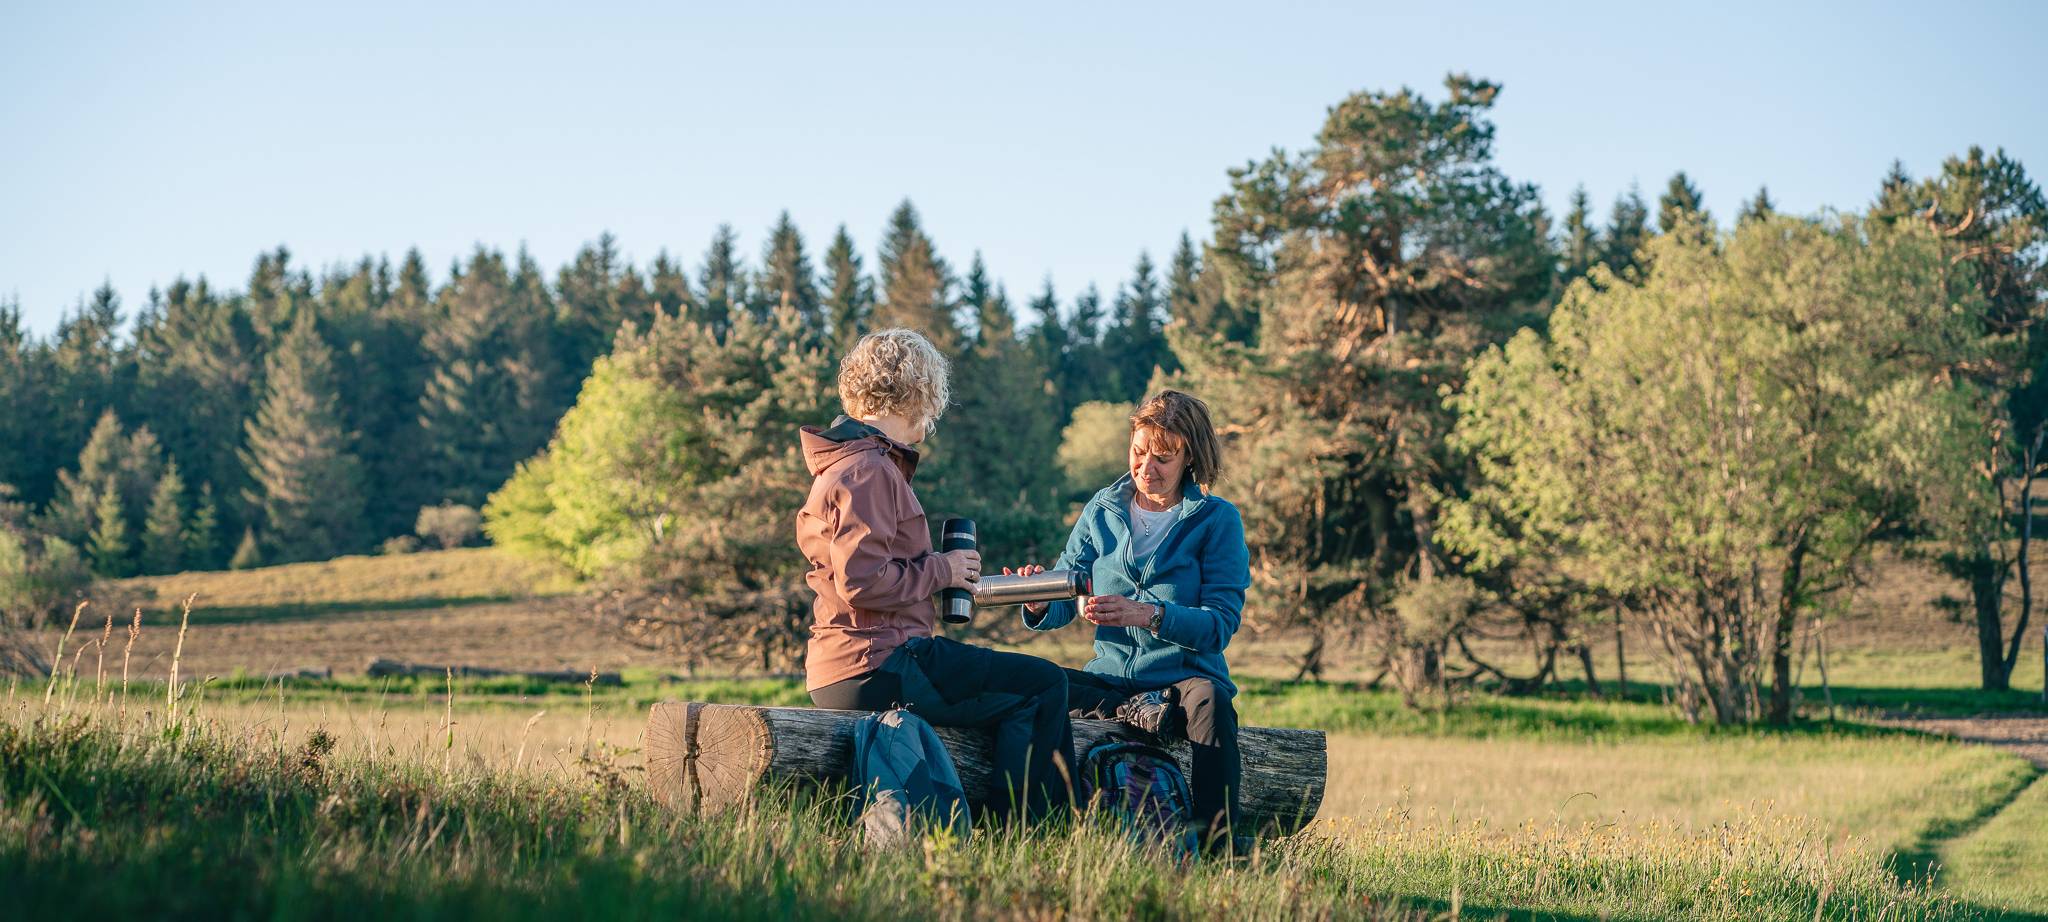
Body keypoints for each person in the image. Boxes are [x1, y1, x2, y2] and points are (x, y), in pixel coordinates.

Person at [797, 328, 1073, 822]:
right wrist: (943, 569)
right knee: (1042, 684)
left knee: (1014, 686)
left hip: (845, 664)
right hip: (879, 662)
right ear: (919, 392)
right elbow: (862, 582)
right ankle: (1026, 837)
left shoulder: (845, 464)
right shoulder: (869, 469)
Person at [1005, 389, 1251, 851]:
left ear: (1190, 458)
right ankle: (1040, 838)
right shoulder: (1103, 509)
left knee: (1212, 704)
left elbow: (1219, 625)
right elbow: (1066, 593)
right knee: (1034, 684)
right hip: (1111, 681)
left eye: (1163, 457)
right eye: (1139, 452)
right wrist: (1040, 600)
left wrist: (1150, 615)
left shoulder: (1218, 521)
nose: (1146, 467)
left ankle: (1220, 850)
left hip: (1184, 683)